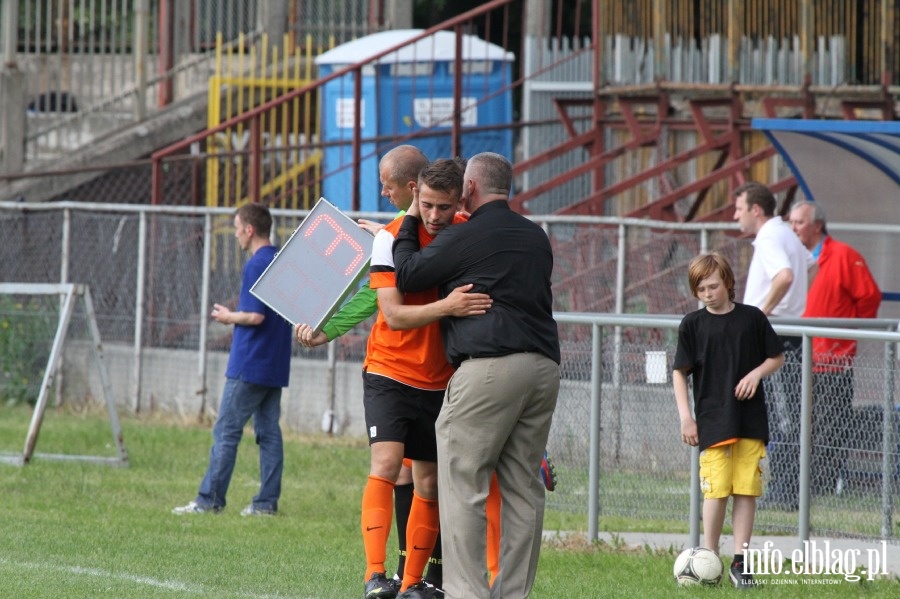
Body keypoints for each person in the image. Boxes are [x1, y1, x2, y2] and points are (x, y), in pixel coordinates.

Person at [393, 152, 560, 599]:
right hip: (543, 369)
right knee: (523, 489)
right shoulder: (536, 236)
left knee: (463, 482)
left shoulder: (469, 234)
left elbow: (408, 275)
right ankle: (512, 594)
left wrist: (411, 217)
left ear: (469, 186)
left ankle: (467, 593)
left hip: (489, 369)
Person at [296, 145, 458, 597]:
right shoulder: (388, 238)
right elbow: (375, 299)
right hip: (388, 369)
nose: (380, 191)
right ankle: (374, 576)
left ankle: (414, 583)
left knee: (424, 478)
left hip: (439, 378)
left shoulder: (461, 234)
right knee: (388, 466)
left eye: (386, 183)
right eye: (429, 206)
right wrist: (325, 330)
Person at [673, 252, 785, 589]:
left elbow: (776, 356)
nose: (708, 293)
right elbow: (679, 373)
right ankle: (708, 556)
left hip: (749, 421)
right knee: (717, 491)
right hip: (712, 421)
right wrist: (686, 418)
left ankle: (741, 562)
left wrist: (756, 374)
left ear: (728, 283)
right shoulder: (692, 325)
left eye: (713, 286)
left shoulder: (752, 319)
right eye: (701, 289)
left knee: (746, 490)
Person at [172, 202, 292, 516]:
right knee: (268, 433)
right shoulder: (281, 260)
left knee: (226, 431)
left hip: (250, 363)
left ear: (249, 230)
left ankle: (209, 500)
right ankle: (266, 503)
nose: (236, 234)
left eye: (238, 228)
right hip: (275, 364)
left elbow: (254, 316)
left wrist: (228, 317)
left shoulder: (255, 264)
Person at [733, 181, 816, 510]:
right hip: (789, 328)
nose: (735, 215)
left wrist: (760, 314)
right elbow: (812, 264)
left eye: (739, 208)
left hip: (775, 332)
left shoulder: (769, 235)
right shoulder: (784, 233)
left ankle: (784, 490)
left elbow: (785, 276)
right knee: (792, 413)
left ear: (756, 209)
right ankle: (787, 488)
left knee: (783, 417)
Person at [789, 200, 881, 495]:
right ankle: (799, 482)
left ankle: (823, 484)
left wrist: (847, 333)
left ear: (817, 225)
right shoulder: (791, 257)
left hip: (832, 358)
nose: (794, 228)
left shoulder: (843, 256)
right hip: (797, 355)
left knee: (830, 423)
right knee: (799, 422)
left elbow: (868, 297)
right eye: (791, 222)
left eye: (799, 222)